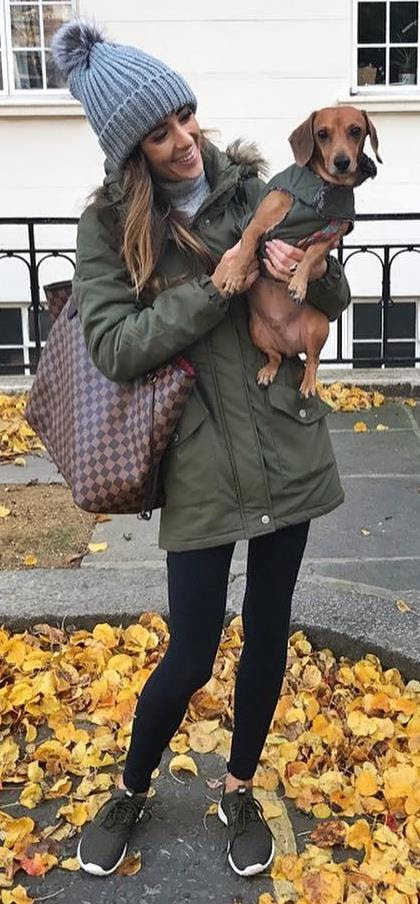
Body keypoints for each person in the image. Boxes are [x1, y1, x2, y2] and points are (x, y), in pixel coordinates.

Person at [52, 19, 350, 880]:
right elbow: (113, 344)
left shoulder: (261, 184)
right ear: (130, 151)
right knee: (190, 648)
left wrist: (312, 263)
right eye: (160, 133)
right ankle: (133, 786)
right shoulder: (109, 230)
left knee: (266, 633)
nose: (185, 141)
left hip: (285, 439)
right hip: (199, 462)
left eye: (186, 117)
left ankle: (241, 786)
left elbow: (331, 294)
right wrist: (221, 282)